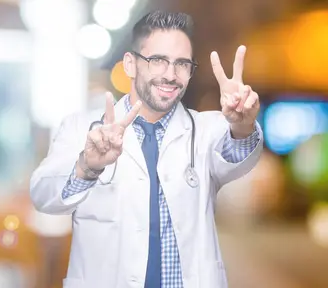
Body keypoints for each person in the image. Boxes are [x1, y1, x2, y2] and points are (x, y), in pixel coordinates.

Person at [29, 11, 263, 288]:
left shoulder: (205, 130)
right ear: (130, 64)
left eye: (182, 64)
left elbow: (236, 153)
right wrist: (87, 167)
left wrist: (243, 124)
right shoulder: (81, 129)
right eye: (158, 61)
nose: (171, 75)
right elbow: (42, 195)